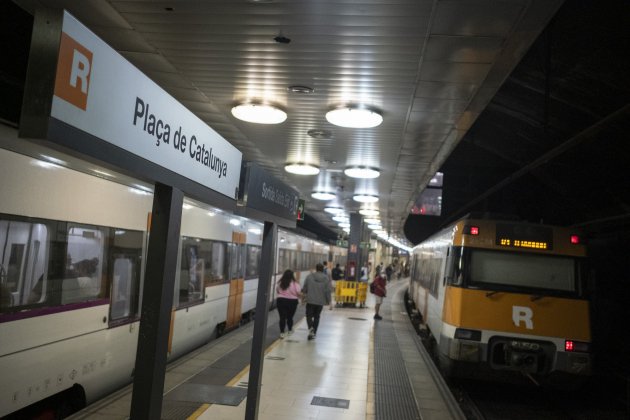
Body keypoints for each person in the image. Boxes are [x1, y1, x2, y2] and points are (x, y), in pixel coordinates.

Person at [302, 263, 332, 340]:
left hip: (310, 300)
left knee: (309, 315)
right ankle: (314, 332)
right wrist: (329, 302)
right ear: (322, 269)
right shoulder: (326, 278)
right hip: (320, 302)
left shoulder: (309, 276)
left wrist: (304, 294)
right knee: (317, 316)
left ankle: (310, 328)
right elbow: (328, 291)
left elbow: (305, 288)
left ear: (316, 268)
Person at [276, 269, 301, 338]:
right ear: (292, 276)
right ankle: (290, 330)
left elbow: (278, 291)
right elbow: (298, 293)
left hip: (281, 301)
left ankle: (282, 333)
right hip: (292, 302)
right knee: (290, 317)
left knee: (282, 317)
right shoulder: (295, 284)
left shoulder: (280, 283)